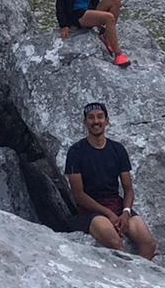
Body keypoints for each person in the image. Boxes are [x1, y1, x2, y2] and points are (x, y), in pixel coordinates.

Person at [63, 101, 156, 258]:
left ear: (107, 121)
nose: (96, 121)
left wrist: (126, 212)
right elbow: (79, 195)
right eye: (91, 118)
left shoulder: (117, 149)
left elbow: (128, 189)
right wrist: (108, 214)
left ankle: (137, 281)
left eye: (100, 117)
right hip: (91, 210)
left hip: (117, 205)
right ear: (85, 122)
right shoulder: (76, 152)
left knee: (149, 244)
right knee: (114, 243)